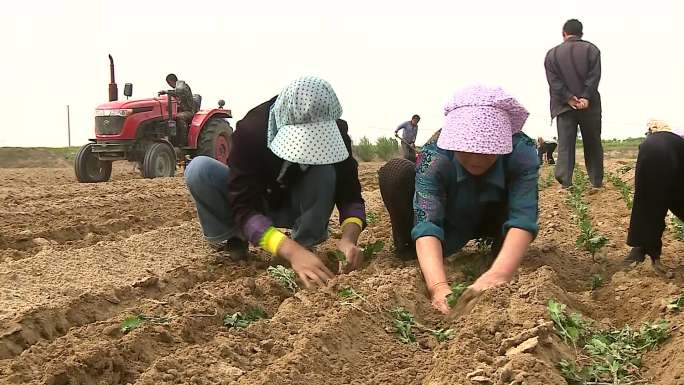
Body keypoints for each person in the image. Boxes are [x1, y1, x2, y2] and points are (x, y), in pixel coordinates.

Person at [184, 76, 367, 287]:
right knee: (199, 170)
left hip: (296, 202)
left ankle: (305, 242)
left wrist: (348, 239)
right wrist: (290, 251)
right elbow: (243, 206)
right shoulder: (251, 130)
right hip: (260, 200)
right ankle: (236, 238)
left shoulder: (336, 133)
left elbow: (351, 195)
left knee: (324, 169)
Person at [379, 85, 539, 314]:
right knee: (395, 171)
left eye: (487, 148)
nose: (476, 158)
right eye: (466, 148)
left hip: (493, 215)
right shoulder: (435, 156)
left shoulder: (521, 151)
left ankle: (499, 247)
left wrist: (499, 273)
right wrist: (438, 287)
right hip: (450, 214)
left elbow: (524, 215)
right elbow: (427, 219)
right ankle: (410, 248)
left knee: (504, 251)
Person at [544, 19, 603, 188]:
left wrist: (569, 98)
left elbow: (553, 82)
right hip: (589, 105)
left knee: (565, 145)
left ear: (564, 34)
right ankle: (596, 181)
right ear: (581, 33)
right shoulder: (592, 50)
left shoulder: (552, 54)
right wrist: (585, 97)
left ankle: (565, 182)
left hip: (563, 107)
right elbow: (594, 77)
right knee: (592, 142)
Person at [623, 119, 684, 273]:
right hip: (671, 149)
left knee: (648, 198)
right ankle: (644, 248)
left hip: (658, 150)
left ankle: (641, 249)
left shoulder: (658, 139)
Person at [165, 73, 196, 146]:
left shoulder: (181, 86)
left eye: (169, 83)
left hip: (189, 111)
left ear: (171, 81)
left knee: (178, 117)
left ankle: (183, 142)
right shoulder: (177, 89)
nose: (169, 85)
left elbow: (180, 91)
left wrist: (167, 92)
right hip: (181, 110)